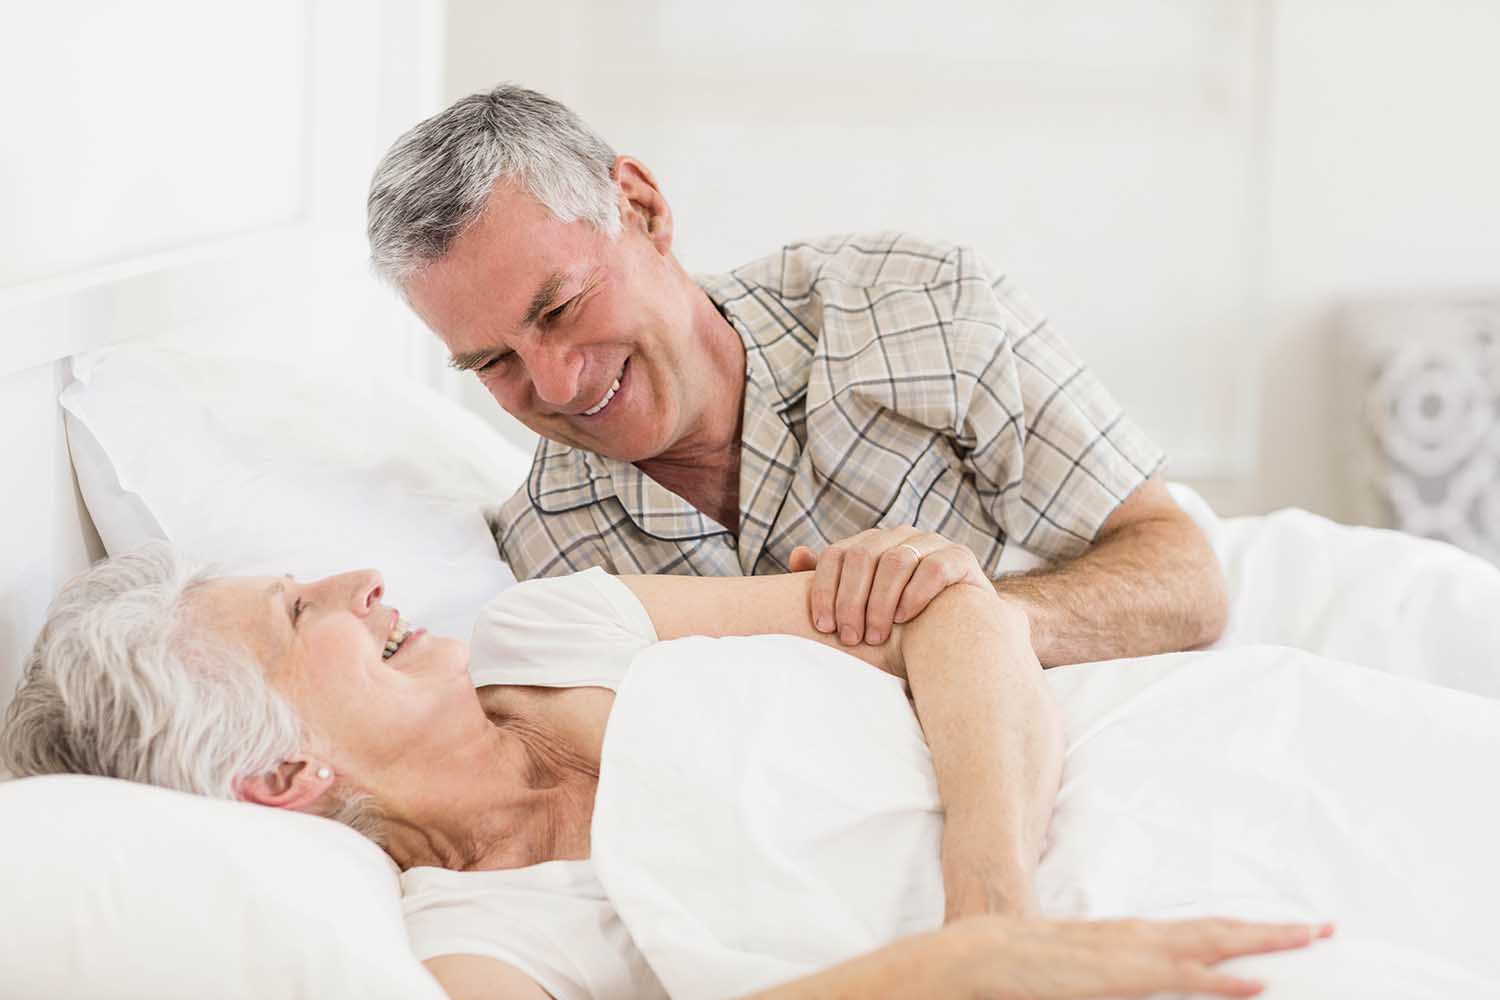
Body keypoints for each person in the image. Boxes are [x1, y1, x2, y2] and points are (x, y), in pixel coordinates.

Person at [0, 546, 1325, 1000]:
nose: (362, 581)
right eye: (303, 613)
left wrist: (990, 915)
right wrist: (949, 977)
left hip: (1192, 765)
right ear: (281, 772)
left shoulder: (554, 627)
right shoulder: (471, 946)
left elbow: (954, 611)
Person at [365, 84, 1229, 674]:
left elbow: (1185, 575)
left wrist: (971, 620)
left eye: (560, 308)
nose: (554, 386)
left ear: (642, 209)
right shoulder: (550, 555)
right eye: (494, 362)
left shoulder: (916, 301)